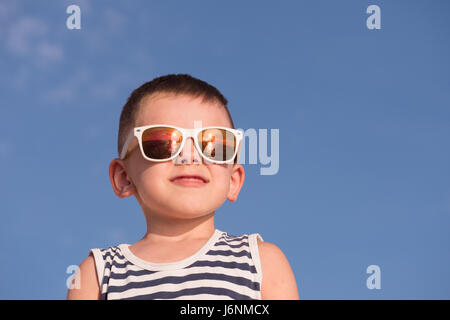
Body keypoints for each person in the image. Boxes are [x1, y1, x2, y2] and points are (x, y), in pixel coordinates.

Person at [67, 74, 299, 300]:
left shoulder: (260, 261)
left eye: (215, 145)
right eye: (162, 143)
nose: (190, 157)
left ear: (233, 180)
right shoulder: (97, 275)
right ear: (123, 177)